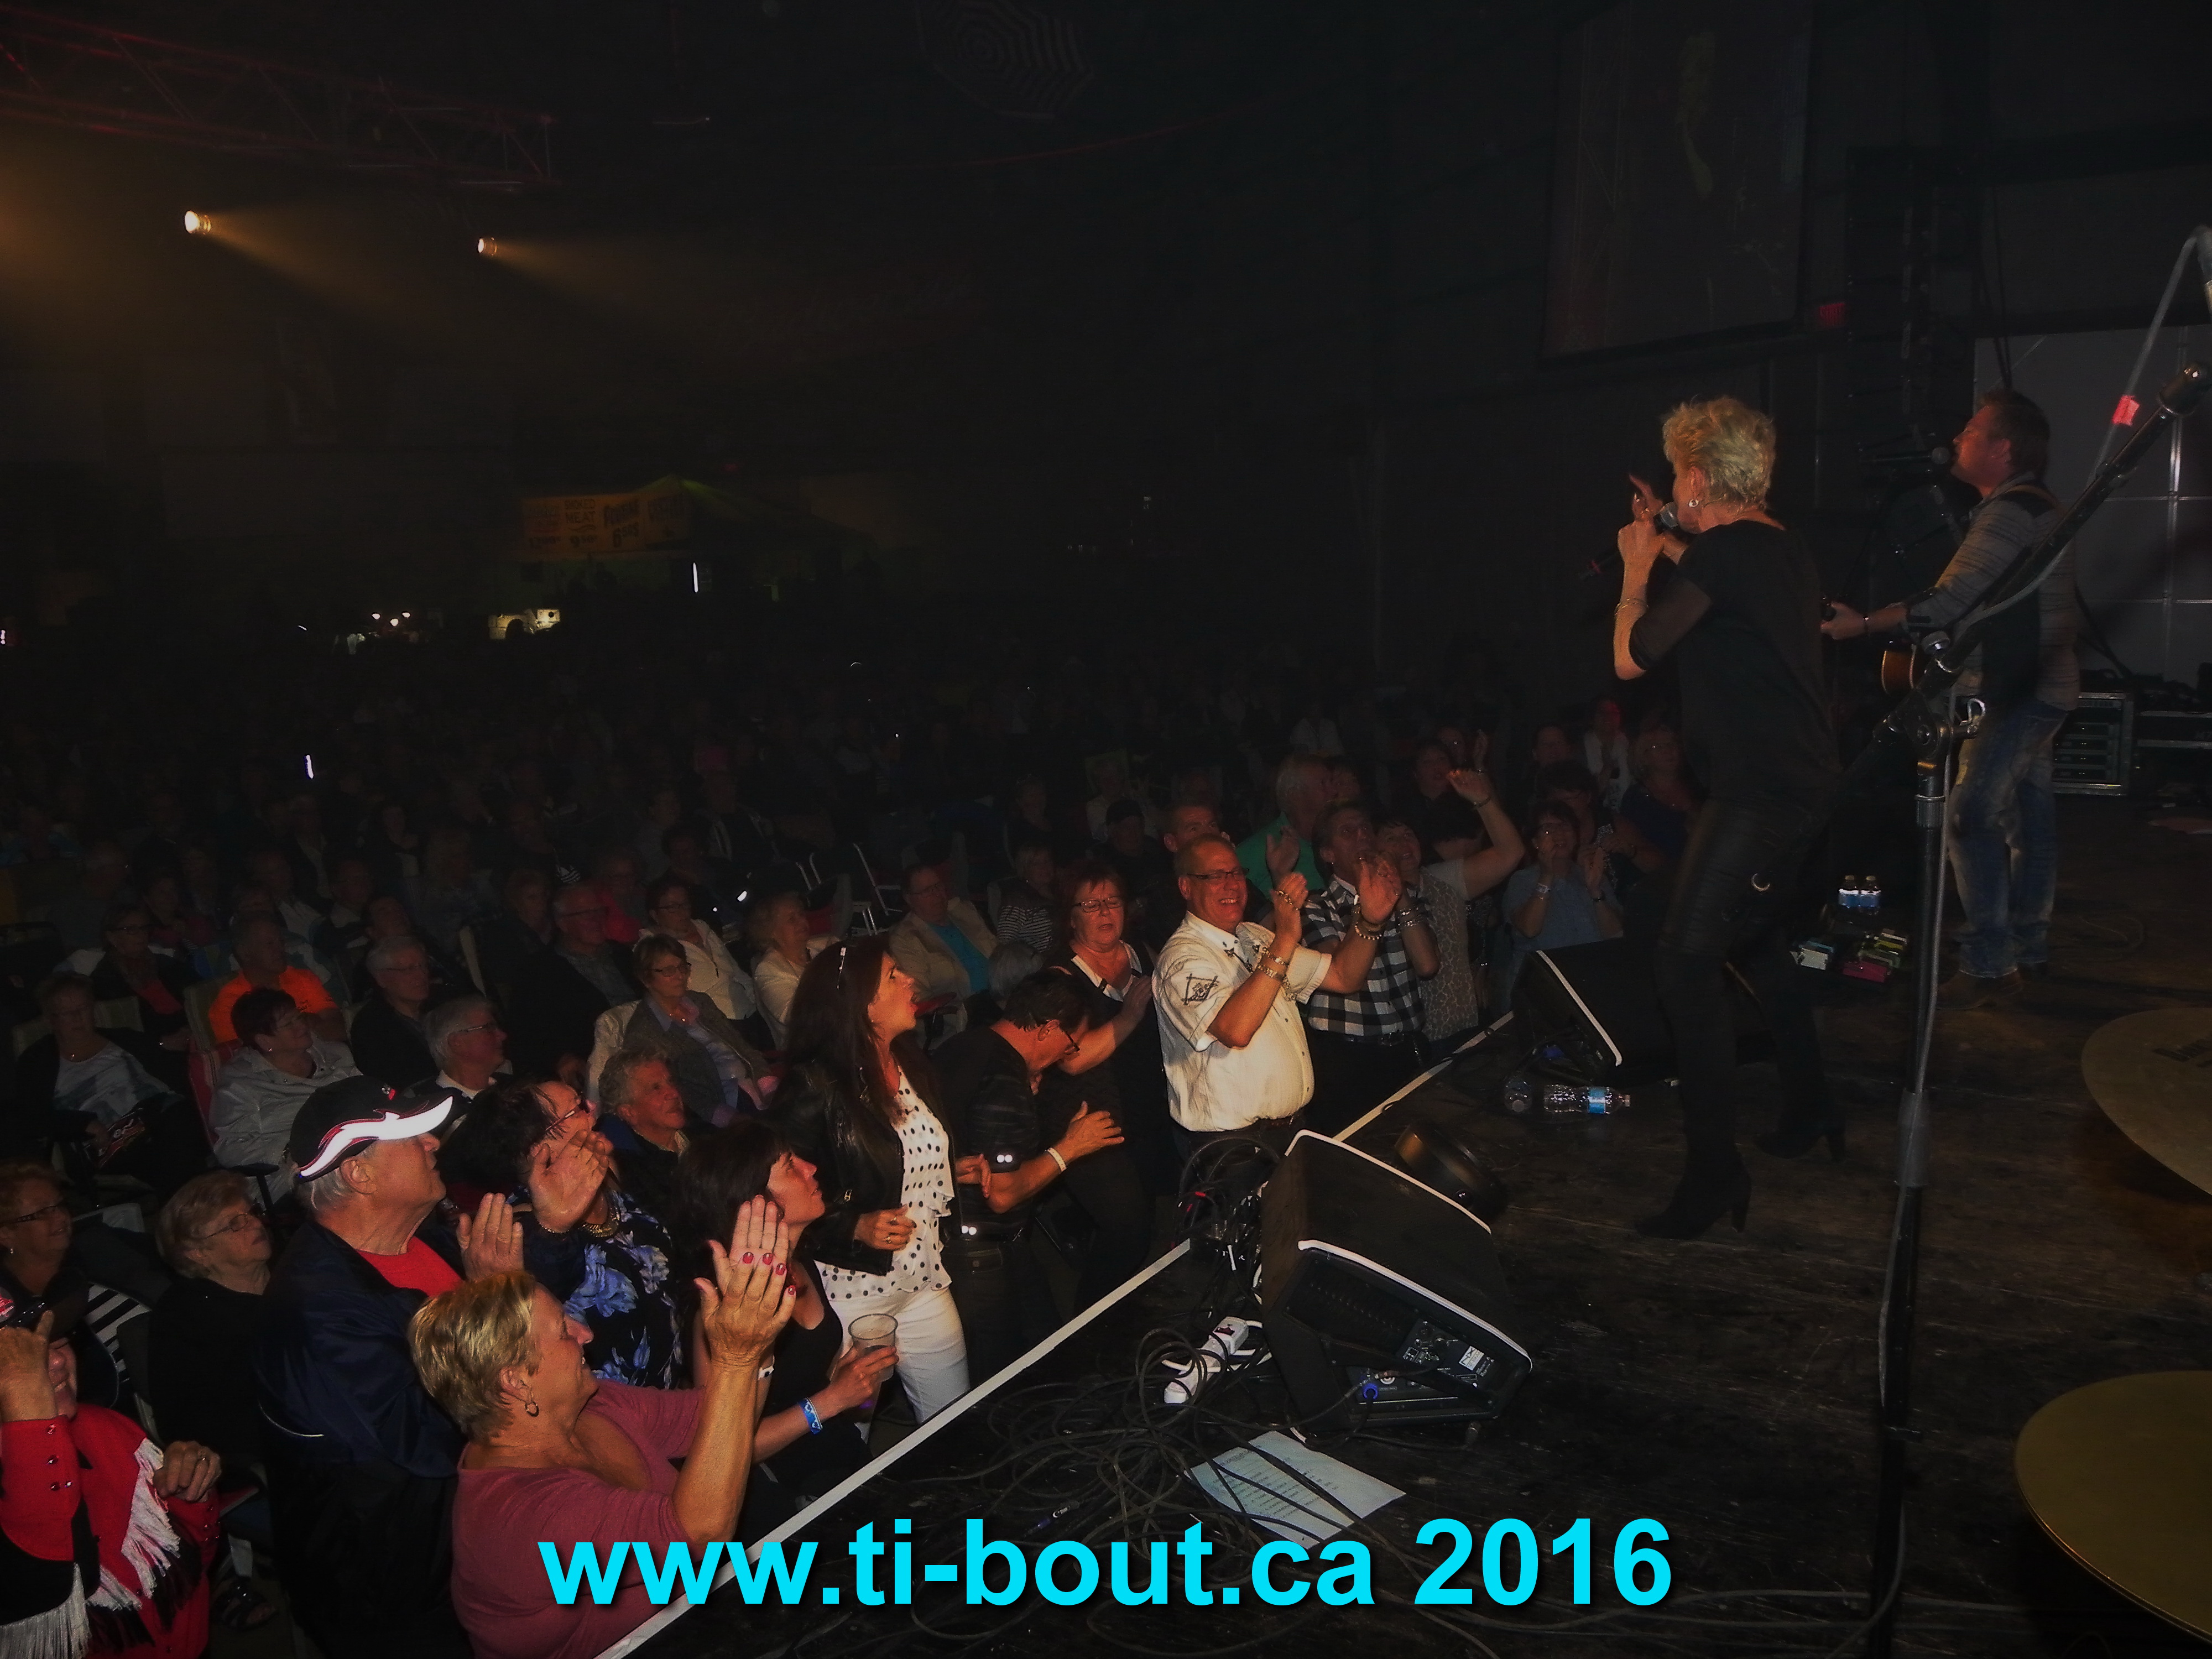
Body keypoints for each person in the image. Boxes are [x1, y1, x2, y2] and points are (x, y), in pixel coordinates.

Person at [1614, 394, 1840, 1237]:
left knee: (1684, 962)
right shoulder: (1774, 546)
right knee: (1738, 936)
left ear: (1701, 479)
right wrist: (1670, 535)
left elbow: (1631, 657)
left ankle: (1714, 1173)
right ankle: (1812, 1103)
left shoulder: (1725, 555)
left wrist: (1637, 567)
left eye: (1680, 473)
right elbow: (1718, 581)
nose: (1674, 485)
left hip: (1763, 795)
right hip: (1797, 789)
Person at [413, 1210, 789, 1659]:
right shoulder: (522, 1516)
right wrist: (737, 1358)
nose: (585, 1334)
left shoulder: (591, 1404)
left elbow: (721, 1417)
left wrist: (756, 1332)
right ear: (517, 1381)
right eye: (563, 1330)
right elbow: (697, 1535)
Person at [252, 1078, 524, 1659]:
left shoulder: (425, 1241)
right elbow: (430, 1439)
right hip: (405, 1592)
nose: (433, 1144)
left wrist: (552, 1228)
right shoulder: (316, 1314)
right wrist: (494, 1304)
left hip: (479, 1541)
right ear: (359, 1174)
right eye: (412, 1137)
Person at [1822, 388, 2075, 1007]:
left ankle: (1989, 963)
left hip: (2017, 692)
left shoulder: (2010, 512)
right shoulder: (2036, 505)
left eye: (1971, 430)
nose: (1957, 438)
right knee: (2029, 823)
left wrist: (1863, 624)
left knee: (1968, 816)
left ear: (2003, 449)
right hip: (2044, 683)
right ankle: (2029, 946)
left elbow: (1950, 599)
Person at [766, 937, 971, 1420]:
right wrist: (853, 1226)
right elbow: (775, 1196)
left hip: (922, 1279)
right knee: (850, 1431)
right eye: (893, 976)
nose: (911, 980)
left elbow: (903, 1156)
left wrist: (948, 1168)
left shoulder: (909, 1060)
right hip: (850, 1298)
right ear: (862, 1004)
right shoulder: (813, 1086)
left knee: (954, 1417)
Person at [670, 1124, 899, 1535]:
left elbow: (799, 1379)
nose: (812, 1168)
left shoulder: (800, 1264)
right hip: (778, 1496)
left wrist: (844, 1377)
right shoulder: (725, 1310)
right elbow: (726, 1451)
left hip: (828, 1451)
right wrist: (829, 1401)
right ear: (754, 1202)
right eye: (791, 1166)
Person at [0, 1305, 224, 1658]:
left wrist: (191, 1491)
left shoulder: (106, 1428)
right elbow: (51, 1591)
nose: (57, 1361)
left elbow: (191, 1572)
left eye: (59, 1343)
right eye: (20, 1363)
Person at [1154, 832, 1397, 1155]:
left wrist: (1369, 922)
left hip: (1290, 1131)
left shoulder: (1254, 936)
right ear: (1186, 887)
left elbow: (1343, 976)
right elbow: (1234, 1030)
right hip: (1233, 1148)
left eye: (1236, 873)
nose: (1232, 885)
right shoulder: (1182, 958)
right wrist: (1284, 940)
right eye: (1215, 876)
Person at [434, 1078, 684, 1389]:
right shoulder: (521, 1234)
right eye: (577, 1108)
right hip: (607, 1409)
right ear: (539, 1149)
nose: (593, 1109)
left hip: (671, 1396)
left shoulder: (613, 1179)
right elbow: (530, 1302)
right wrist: (553, 1227)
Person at [935, 972, 1124, 1377]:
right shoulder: (1004, 1079)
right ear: (1049, 1028)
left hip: (980, 1244)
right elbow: (1002, 1194)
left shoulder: (964, 1045)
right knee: (1004, 1378)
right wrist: (1070, 1148)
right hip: (979, 1256)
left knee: (1048, 1351)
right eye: (1069, 1045)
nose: (1065, 1056)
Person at [1295, 803, 1442, 1133]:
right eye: (1348, 832)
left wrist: (1399, 895)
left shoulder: (1406, 895)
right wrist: (1369, 911)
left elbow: (1428, 964)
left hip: (1406, 1048)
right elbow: (1344, 975)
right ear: (1328, 853)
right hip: (1349, 1057)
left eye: (1366, 830)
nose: (1362, 837)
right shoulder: (1314, 905)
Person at [12, 974, 208, 1203]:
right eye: (67, 1013)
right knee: (174, 1149)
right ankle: (198, 1206)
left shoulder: (121, 1038)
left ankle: (190, 1209)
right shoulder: (38, 1061)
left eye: (84, 1008)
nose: (78, 1018)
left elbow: (160, 1053)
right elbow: (30, 1117)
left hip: (163, 1117)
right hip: (111, 1139)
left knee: (176, 1136)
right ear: (49, 1019)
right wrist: (82, 1124)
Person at [1047, 862, 1174, 1203]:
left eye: (1113, 902)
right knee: (1132, 1218)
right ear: (1071, 918)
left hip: (1158, 1107)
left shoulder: (1141, 950)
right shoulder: (1060, 975)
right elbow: (1070, 1060)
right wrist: (1128, 1017)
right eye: (1091, 905)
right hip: (1105, 1124)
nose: (1105, 912)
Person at [1378, 767, 1524, 1050]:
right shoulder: (1372, 901)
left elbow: (1512, 853)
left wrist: (1482, 800)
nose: (1403, 843)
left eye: (1408, 834)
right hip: (1418, 1040)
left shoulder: (1443, 879)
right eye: (1391, 838)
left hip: (1467, 1026)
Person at [0, 1160, 153, 1419]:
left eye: (59, 1205)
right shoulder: (8, 1307)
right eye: (42, 1213)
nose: (61, 1217)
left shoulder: (100, 1253)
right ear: (6, 1235)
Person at [149, 1172, 272, 1477]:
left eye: (251, 1213)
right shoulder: (182, 1319)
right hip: (263, 1454)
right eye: (235, 1224)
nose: (255, 1224)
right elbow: (188, 1427)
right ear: (198, 1253)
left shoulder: (298, 1271)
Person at [587, 934, 766, 1125]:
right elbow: (677, 1091)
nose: (680, 976)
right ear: (646, 979)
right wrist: (727, 1117)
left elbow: (741, 1046)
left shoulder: (700, 1001)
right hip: (722, 1107)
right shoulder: (643, 1034)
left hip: (752, 1086)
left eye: (682, 967)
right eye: (668, 971)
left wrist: (768, 1082)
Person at [211, 989, 361, 1171]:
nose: (303, 1026)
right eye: (289, 1024)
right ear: (265, 1041)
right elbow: (231, 1148)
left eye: (299, 1017)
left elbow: (367, 1097)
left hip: (353, 1148)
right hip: (292, 1172)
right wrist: (288, 1153)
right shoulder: (241, 1083)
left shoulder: (335, 1054)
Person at [507, 883, 635, 1084]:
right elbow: (525, 1036)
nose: (596, 920)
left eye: (599, 911)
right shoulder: (538, 973)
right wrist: (558, 1058)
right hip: (596, 1068)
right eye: (586, 914)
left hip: (644, 1049)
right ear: (563, 923)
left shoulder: (623, 956)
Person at [1504, 801, 1624, 989]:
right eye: (1548, 829)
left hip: (1593, 981)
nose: (1559, 834)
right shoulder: (1522, 881)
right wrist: (1547, 876)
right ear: (1535, 842)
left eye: (1565, 827)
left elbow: (1616, 934)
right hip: (1544, 987)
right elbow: (1529, 928)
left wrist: (1595, 892)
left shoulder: (1592, 874)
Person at [888, 863, 998, 1037]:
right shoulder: (906, 940)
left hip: (1002, 997)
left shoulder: (964, 912)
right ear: (910, 899)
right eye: (927, 891)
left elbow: (998, 951)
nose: (938, 894)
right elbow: (919, 996)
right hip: (965, 1019)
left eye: (938, 886)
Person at [596, 1048, 700, 1224]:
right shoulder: (634, 1174)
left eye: (670, 1082)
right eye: (656, 1088)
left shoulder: (700, 1130)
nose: (674, 1093)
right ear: (629, 1112)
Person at [85, 903, 195, 1070]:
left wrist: (192, 1027)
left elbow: (199, 993)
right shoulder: (105, 980)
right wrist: (161, 1042)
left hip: (192, 1032)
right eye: (131, 929)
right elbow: (119, 1033)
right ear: (112, 937)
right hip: (155, 1052)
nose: (142, 934)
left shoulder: (165, 964)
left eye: (144, 928)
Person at [208, 916, 344, 1046]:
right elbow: (240, 1055)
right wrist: (310, 1023)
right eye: (270, 944)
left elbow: (337, 1028)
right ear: (245, 953)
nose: (280, 949)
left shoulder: (303, 978)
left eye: (281, 942)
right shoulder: (229, 1003)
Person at [643, 874, 758, 1026]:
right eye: (672, 907)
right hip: (710, 1021)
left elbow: (736, 972)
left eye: (685, 904)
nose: (682, 912)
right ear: (655, 914)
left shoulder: (702, 928)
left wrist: (757, 999)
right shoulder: (651, 949)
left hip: (746, 1008)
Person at [349, 935, 442, 1089]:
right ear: (382, 979)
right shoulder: (371, 1027)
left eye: (423, 966)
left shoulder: (445, 1000)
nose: (421, 975)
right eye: (409, 969)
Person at [1235, 754, 1329, 896]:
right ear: (1295, 795)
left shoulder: (1339, 840)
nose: (1334, 791)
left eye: (1331, 782)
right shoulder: (1259, 849)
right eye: (1323, 784)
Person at [473, 867, 552, 1008]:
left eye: (543, 896)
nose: (541, 902)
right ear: (516, 901)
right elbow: (503, 983)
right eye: (532, 898)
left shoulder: (559, 925)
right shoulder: (500, 934)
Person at [746, 890, 816, 1049]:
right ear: (771, 932)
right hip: (809, 1048)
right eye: (792, 919)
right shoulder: (768, 970)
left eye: (801, 914)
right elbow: (795, 1016)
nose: (802, 921)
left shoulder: (828, 945)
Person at [1620, 727, 1700, 865]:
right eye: (1658, 747)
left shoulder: (1696, 785)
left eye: (1671, 744)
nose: (1668, 751)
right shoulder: (1636, 800)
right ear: (1644, 758)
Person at [416, 995, 509, 1108]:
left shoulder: (513, 1089)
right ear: (456, 1042)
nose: (502, 1036)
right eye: (489, 1029)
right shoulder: (430, 1108)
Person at [994, 839, 1060, 952]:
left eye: (1047, 861)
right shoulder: (1017, 902)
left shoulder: (1062, 894)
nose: (1045, 867)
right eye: (1036, 864)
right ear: (1025, 869)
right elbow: (1005, 944)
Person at [1582, 697, 1633, 810]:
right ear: (1592, 718)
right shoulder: (1581, 751)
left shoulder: (1630, 744)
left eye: (1614, 712)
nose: (1608, 717)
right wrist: (1607, 768)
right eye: (1602, 712)